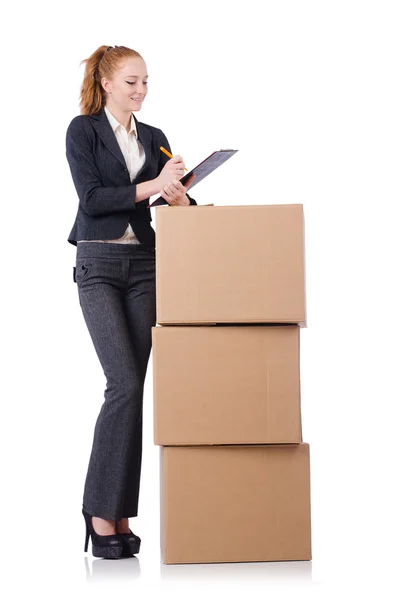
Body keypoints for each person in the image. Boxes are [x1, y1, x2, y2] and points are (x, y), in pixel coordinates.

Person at [65, 44, 197, 559]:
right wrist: (152, 186)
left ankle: (118, 511)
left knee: (134, 386)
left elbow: (168, 198)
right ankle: (99, 511)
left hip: (145, 265)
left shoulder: (155, 137)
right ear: (106, 84)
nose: (141, 90)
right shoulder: (83, 131)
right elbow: (93, 198)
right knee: (121, 381)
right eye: (130, 83)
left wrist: (179, 194)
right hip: (98, 263)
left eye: (145, 81)